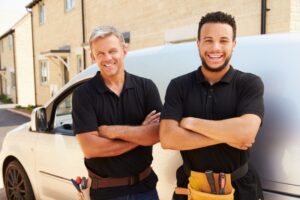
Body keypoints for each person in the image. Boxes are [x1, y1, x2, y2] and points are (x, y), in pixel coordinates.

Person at [160, 11, 264, 200]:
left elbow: (246, 133)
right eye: (208, 40)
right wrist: (230, 136)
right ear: (198, 43)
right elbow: (167, 139)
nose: (215, 47)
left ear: (233, 44)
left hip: (240, 190)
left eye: (223, 40)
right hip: (191, 189)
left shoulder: (249, 83)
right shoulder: (179, 86)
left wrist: (190, 123)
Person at [72, 26, 162, 200]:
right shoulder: (83, 95)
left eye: (113, 51)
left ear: (124, 51)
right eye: (100, 53)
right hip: (107, 194)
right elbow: (91, 148)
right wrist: (140, 134)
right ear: (92, 57)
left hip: (146, 190)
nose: (107, 58)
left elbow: (157, 134)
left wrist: (112, 131)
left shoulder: (146, 87)